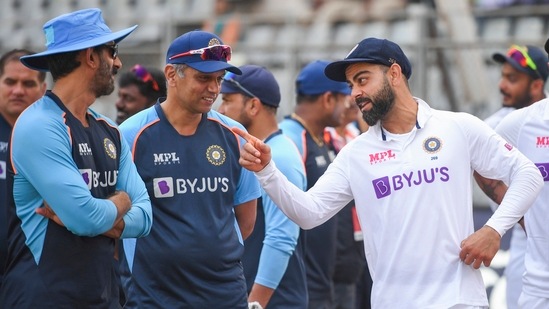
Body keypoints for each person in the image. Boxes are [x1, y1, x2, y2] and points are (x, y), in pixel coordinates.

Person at [232, 37, 544, 308]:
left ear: (394, 73)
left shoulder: (458, 126)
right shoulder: (356, 152)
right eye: (352, 84)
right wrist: (268, 172)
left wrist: (493, 230)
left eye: (363, 79)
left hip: (460, 300)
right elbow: (309, 213)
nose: (355, 92)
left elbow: (528, 175)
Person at [0, 9, 153, 308]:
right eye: (113, 51)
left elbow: (146, 217)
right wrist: (121, 201)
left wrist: (95, 217)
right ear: (90, 57)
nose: (119, 62)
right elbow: (85, 219)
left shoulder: (109, 130)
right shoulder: (39, 126)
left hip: (102, 294)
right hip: (45, 296)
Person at [118, 30, 260, 308]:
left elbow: (246, 220)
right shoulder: (131, 135)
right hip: (154, 295)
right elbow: (114, 221)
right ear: (171, 74)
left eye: (219, 79)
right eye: (204, 78)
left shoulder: (235, 134)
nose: (214, 89)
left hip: (224, 294)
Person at [218, 64, 308, 308]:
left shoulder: (279, 156)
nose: (220, 109)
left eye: (227, 100)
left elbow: (281, 238)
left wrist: (255, 302)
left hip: (274, 299)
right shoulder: (256, 151)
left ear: (253, 106)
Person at [476, 44, 548, 309]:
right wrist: (519, 215)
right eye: (503, 76)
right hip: (526, 244)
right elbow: (479, 167)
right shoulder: (498, 125)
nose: (502, 85)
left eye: (513, 78)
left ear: (537, 85)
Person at [278, 60, 351, 309]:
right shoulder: (290, 138)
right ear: (328, 99)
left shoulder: (323, 138)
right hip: (303, 286)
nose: (349, 104)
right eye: (344, 97)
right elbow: (279, 219)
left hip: (326, 279)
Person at [0, 49, 46, 289]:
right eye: (10, 82)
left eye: (28, 83)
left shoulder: (54, 135)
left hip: (32, 275)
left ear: (42, 88)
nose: (18, 91)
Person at [324, 101, 366, 309]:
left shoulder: (358, 136)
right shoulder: (322, 138)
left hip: (357, 243)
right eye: (344, 96)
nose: (352, 102)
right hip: (331, 244)